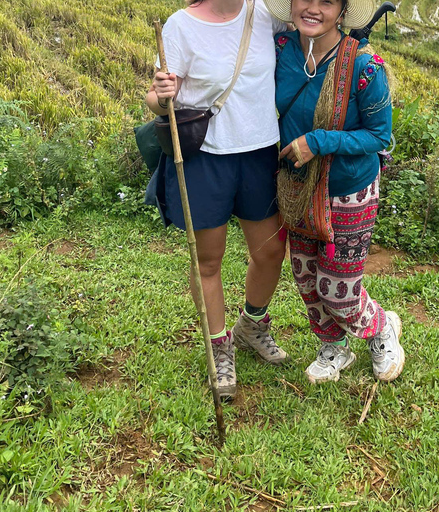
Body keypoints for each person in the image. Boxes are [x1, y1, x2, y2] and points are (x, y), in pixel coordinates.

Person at [145, 0, 291, 400]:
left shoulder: (267, 14)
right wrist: (162, 94)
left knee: (271, 251)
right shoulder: (179, 26)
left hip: (260, 151)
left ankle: (252, 325)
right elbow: (155, 101)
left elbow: (311, 28)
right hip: (204, 155)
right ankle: (219, 344)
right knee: (208, 259)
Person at [263, 0, 405, 384]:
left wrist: (318, 141)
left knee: (339, 289)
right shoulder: (280, 51)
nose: (312, 8)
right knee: (308, 281)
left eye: (326, 1)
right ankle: (334, 347)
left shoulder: (363, 65)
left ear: (342, 12)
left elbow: (379, 135)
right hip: (298, 187)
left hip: (348, 190)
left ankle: (380, 327)